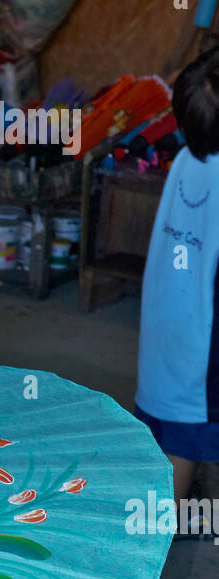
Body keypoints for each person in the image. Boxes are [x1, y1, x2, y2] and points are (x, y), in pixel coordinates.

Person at [135, 47, 219, 514]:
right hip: (203, 350)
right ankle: (158, 540)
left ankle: (171, 517)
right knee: (185, 440)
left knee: (170, 434)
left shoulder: (190, 155)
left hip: (169, 325)